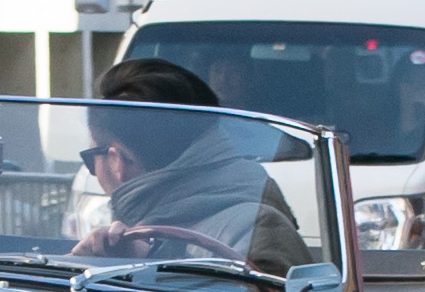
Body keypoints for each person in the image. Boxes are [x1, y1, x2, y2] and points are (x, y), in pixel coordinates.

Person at [74, 59, 313, 275]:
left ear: (117, 161)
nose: (92, 172)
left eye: (91, 158)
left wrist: (145, 265)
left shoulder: (256, 228)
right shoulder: (251, 213)